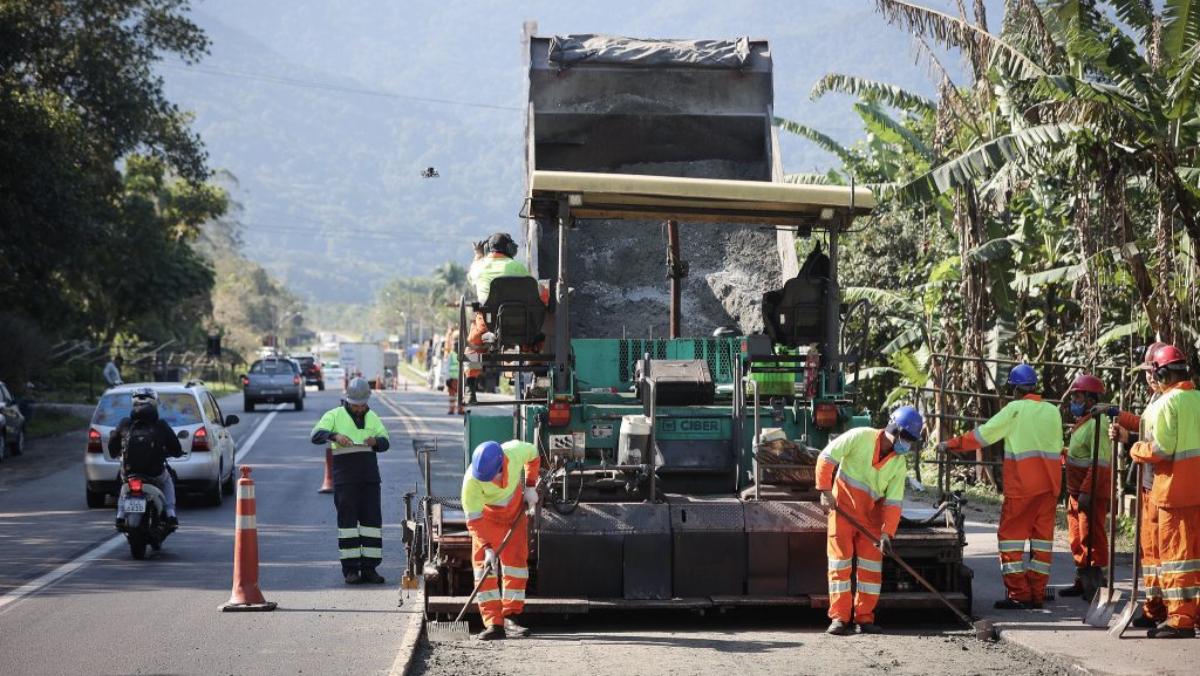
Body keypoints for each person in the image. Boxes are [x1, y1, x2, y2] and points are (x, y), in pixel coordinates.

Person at [936, 364, 1064, 609]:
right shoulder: (1052, 411)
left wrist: (951, 444)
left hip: (1023, 488)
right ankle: (1036, 593)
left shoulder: (1015, 410)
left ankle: (1019, 594)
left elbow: (983, 435)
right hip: (1049, 488)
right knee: (1041, 543)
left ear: (1015, 389)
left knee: (1010, 540)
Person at [815, 406, 924, 635]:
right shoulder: (860, 436)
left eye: (911, 441)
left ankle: (864, 619)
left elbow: (894, 502)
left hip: (871, 520)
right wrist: (825, 491)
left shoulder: (898, 463)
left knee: (871, 571)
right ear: (893, 429)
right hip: (842, 511)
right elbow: (826, 457)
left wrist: (887, 533)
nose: (907, 444)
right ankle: (839, 618)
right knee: (839, 566)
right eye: (905, 438)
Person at [1129, 344, 1200, 638]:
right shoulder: (1196, 398)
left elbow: (1162, 448)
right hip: (1195, 491)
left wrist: (1136, 449)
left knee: (1177, 558)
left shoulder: (1168, 403)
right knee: (1195, 554)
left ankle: (1180, 620)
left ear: (1162, 373)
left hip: (1173, 492)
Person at [1103, 341, 1167, 627]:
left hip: (1161, 485)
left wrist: (1129, 440)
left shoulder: (1169, 402)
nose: (1150, 377)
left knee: (1162, 552)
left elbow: (1159, 444)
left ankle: (1165, 610)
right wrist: (1118, 415)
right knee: (1150, 552)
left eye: (1155, 371)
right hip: (1150, 484)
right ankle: (1156, 608)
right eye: (1147, 371)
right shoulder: (1156, 400)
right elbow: (1143, 424)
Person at [310, 378, 391, 585]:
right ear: (348, 400)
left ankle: (370, 569)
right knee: (348, 525)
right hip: (345, 479)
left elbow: (386, 441)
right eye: (356, 405)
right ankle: (351, 571)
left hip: (370, 479)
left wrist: (376, 442)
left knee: (371, 523)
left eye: (362, 405)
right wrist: (335, 436)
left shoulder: (372, 417)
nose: (359, 408)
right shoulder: (334, 416)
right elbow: (316, 435)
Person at [461, 439, 541, 641]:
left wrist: (530, 486)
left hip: (515, 514)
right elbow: (474, 521)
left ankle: (511, 617)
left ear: (502, 464)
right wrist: (487, 548)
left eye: (491, 476)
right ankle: (493, 624)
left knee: (516, 565)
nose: (487, 480)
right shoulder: (471, 482)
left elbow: (533, 455)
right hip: (487, 520)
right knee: (484, 569)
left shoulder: (514, 452)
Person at [463, 232, 535, 404]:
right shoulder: (517, 267)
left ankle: (470, 387)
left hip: (487, 323)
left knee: (473, 347)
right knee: (535, 340)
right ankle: (538, 376)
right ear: (509, 248)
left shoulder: (479, 266)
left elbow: (471, 275)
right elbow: (534, 289)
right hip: (518, 323)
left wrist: (478, 255)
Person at [1059, 374, 1111, 598]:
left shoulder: (1098, 423)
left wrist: (1087, 492)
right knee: (1077, 538)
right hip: (1076, 492)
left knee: (1092, 538)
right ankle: (1082, 579)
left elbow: (1099, 463)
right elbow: (1079, 455)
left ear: (1091, 400)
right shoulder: (1084, 423)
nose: (1074, 402)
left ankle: (1097, 585)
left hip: (1088, 493)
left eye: (1078, 397)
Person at [109, 387, 183, 529]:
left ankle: (120, 515)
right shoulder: (160, 424)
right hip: (155, 473)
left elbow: (113, 447)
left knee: (124, 484)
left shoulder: (125, 423)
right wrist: (177, 453)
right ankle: (170, 513)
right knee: (167, 480)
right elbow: (176, 448)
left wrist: (117, 453)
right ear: (155, 404)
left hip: (129, 472)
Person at [444, 328, 463, 415]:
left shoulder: (462, 355)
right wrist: (447, 379)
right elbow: (447, 367)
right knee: (452, 396)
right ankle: (451, 409)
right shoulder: (451, 355)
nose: (456, 347)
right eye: (455, 346)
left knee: (461, 396)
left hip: (460, 379)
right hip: (452, 379)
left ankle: (460, 409)